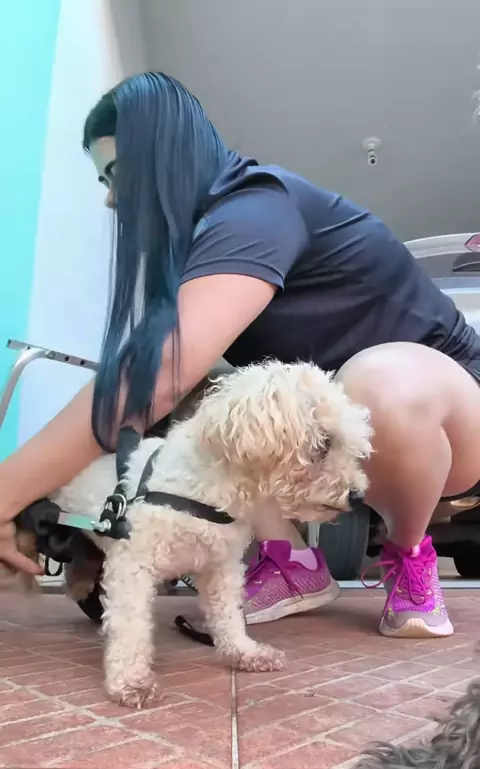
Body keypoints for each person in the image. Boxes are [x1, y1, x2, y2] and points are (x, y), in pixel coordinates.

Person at [1, 70, 480, 641]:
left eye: (118, 174)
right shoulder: (201, 247)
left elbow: (157, 374)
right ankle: (291, 561)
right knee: (213, 399)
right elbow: (158, 379)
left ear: (166, 158)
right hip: (335, 442)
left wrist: (7, 492)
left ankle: (410, 551)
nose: (110, 197)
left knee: (374, 381)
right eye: (105, 180)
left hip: (450, 431)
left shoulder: (256, 210)